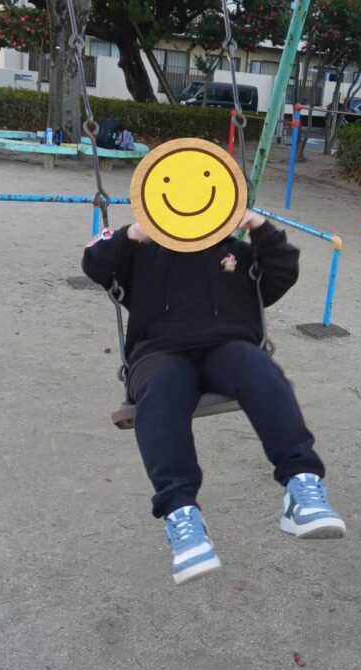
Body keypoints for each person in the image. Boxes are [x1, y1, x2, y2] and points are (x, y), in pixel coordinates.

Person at [82, 209, 345, 585]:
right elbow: (94, 261)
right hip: (159, 352)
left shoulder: (238, 253)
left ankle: (301, 486)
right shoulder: (141, 255)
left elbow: (283, 270)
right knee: (160, 391)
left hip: (229, 348)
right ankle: (181, 512)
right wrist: (137, 232)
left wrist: (259, 228)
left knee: (261, 371)